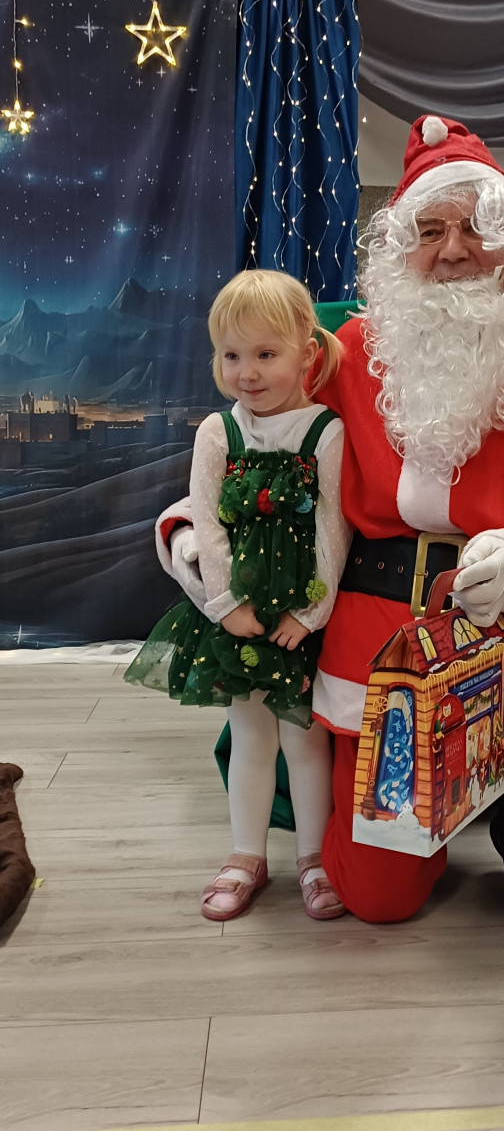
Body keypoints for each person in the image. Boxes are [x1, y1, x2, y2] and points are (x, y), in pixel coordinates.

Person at [159, 116, 504, 941]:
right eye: (429, 231)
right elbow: (253, 442)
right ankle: (448, 804)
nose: (453, 251)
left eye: (478, 228)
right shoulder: (347, 354)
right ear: (400, 251)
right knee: (376, 897)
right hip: (379, 638)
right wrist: (186, 532)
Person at [128, 270, 353, 922]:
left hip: (302, 622)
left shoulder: (325, 433)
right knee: (251, 735)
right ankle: (245, 856)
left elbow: (332, 532)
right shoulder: (216, 433)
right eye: (231, 355)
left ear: (307, 353)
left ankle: (312, 858)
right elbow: (207, 526)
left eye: (265, 354)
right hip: (239, 618)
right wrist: (228, 606)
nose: (246, 372)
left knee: (305, 741)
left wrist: (308, 614)